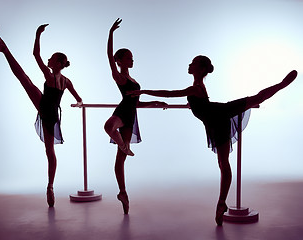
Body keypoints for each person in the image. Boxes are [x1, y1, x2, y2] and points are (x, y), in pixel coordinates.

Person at [128, 55, 298, 225]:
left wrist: (144, 91)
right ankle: (221, 203)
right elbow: (197, 103)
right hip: (216, 119)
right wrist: (191, 104)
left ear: (201, 69)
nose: (189, 64)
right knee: (224, 163)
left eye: (193, 63)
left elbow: (171, 94)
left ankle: (282, 84)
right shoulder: (197, 87)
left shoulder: (194, 88)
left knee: (254, 102)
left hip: (219, 116)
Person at [0, 25, 83, 207]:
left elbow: (35, 55)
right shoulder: (66, 81)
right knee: (50, 153)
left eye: (52, 58)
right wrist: (79, 104)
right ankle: (50, 186)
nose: (48, 60)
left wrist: (37, 35)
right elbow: (79, 98)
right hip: (52, 114)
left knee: (24, 79)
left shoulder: (50, 77)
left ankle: (5, 49)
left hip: (45, 110)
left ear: (58, 63)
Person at [104, 18, 167, 214]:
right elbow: (108, 57)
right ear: (121, 60)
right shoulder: (120, 77)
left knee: (120, 159)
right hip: (122, 111)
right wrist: (111, 33)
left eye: (132, 57)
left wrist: (156, 103)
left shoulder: (133, 79)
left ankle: (122, 193)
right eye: (129, 57)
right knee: (108, 126)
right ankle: (123, 144)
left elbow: (137, 103)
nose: (132, 60)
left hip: (131, 115)